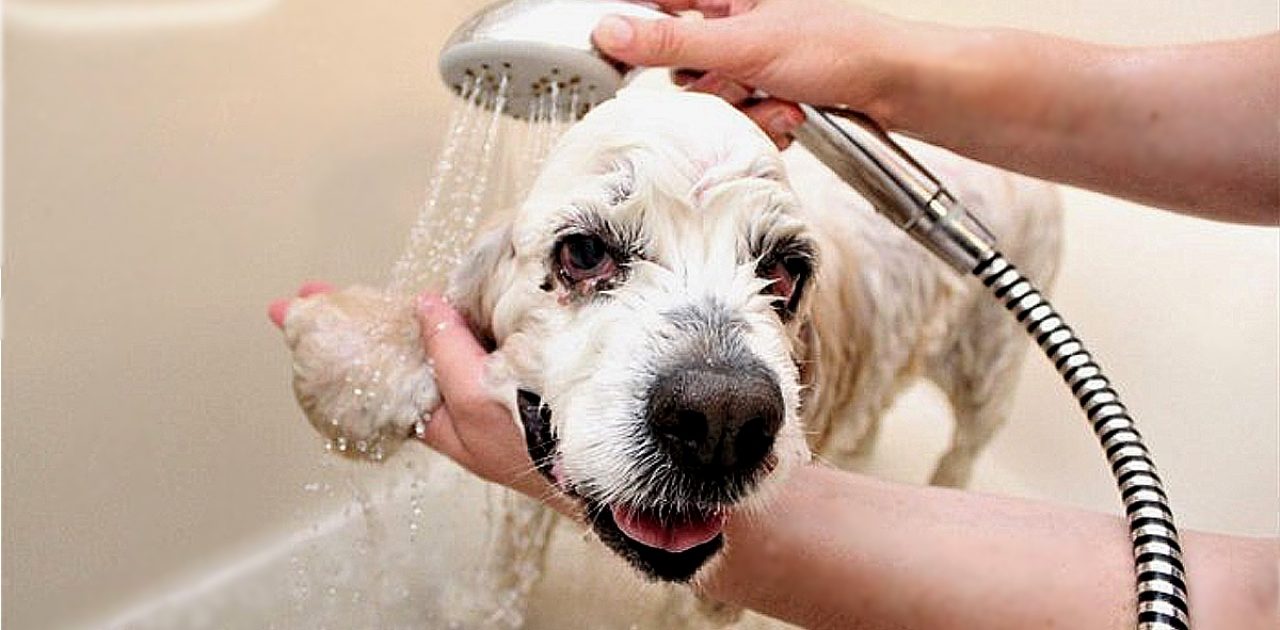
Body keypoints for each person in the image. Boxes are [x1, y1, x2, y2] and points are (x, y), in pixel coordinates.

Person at [272, 2, 1278, 628]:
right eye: (584, 257)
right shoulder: (498, 288)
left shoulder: (959, 246)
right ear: (500, 290)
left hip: (987, 225)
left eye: (777, 273)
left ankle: (957, 466)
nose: (723, 399)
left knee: (971, 410)